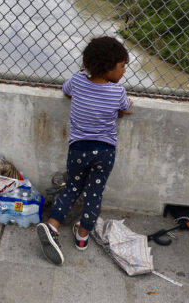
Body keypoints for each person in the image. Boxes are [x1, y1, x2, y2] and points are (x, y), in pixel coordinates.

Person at [37, 36, 133, 265]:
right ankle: (82, 237)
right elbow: (124, 107)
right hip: (105, 152)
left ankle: (52, 226)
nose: (124, 72)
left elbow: (66, 90)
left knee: (71, 187)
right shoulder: (117, 92)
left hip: (78, 149)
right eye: (122, 66)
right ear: (108, 67)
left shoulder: (78, 82)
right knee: (94, 194)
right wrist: (128, 105)